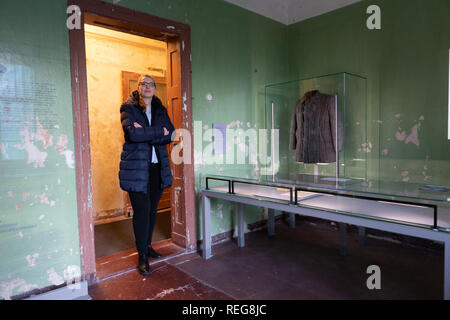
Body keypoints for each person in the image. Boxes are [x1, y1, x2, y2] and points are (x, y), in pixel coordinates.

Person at [119, 74, 175, 275]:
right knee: (141, 212)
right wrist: (157, 132)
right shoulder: (128, 108)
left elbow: (171, 133)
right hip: (136, 169)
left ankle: (148, 245)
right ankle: (142, 255)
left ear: (155, 88)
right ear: (139, 87)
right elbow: (132, 134)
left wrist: (147, 133)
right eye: (144, 83)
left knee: (152, 211)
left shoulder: (161, 109)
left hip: (156, 168)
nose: (148, 87)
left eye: (151, 84)